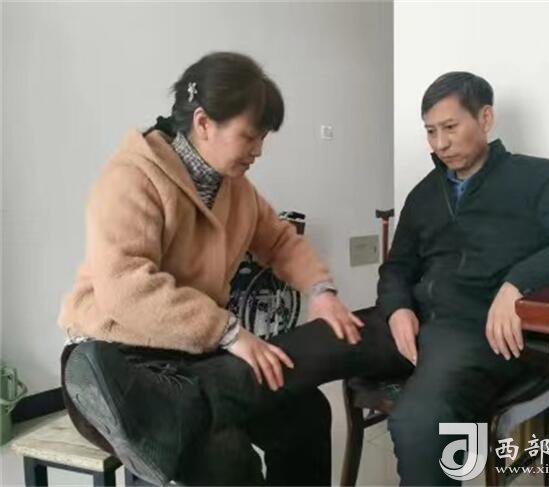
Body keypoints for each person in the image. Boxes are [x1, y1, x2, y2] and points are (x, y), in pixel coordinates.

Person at [59, 51, 411, 486]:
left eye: (263, 137)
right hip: (113, 368)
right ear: (204, 122)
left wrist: (321, 291)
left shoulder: (236, 189)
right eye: (249, 136)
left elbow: (280, 241)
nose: (258, 150)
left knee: (306, 415)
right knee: (225, 456)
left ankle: (188, 404)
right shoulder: (132, 177)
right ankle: (174, 411)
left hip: (194, 356)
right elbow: (126, 288)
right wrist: (230, 333)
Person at [378, 71, 549, 485]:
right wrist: (396, 307)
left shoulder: (533, 178)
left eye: (450, 127)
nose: (440, 144)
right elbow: (397, 267)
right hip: (412, 321)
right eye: (430, 132)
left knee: (420, 424)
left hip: (475, 333)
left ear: (485, 118)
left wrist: (518, 283)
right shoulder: (424, 193)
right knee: (289, 360)